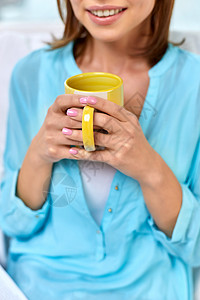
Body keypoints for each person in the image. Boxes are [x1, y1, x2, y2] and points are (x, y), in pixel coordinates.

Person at [0, 0, 200, 299]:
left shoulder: (192, 82)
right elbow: (13, 224)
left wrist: (149, 168)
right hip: (35, 289)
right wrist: (40, 153)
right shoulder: (32, 73)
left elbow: (195, 247)